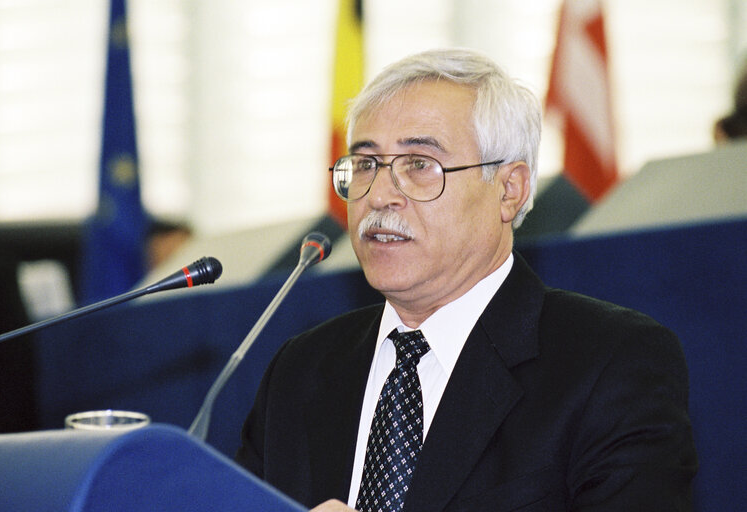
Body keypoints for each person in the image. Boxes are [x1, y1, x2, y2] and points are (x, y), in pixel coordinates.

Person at [235, 48, 697, 512]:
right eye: (367, 164)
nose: (379, 196)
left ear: (508, 190)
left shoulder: (610, 362)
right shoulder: (299, 370)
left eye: (419, 164)